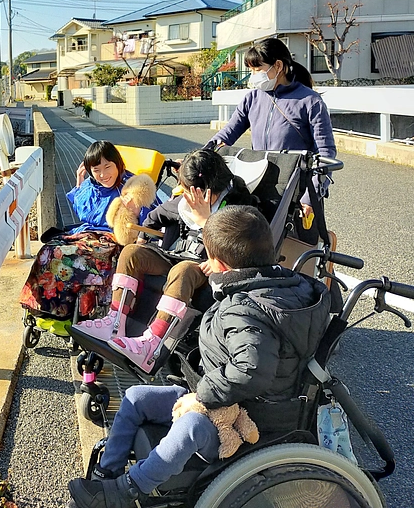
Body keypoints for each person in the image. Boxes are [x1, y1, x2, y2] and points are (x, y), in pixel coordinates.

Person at [68, 206, 331, 508]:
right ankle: (106, 474)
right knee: (136, 396)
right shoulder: (290, 286)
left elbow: (250, 370)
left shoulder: (245, 309)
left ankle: (128, 490)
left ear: (218, 263)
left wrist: (202, 397)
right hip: (231, 398)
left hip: (247, 420)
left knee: (190, 426)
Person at [71, 149, 257, 370]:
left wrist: (207, 220)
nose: (189, 196)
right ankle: (115, 321)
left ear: (209, 189)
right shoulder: (185, 199)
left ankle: (152, 343)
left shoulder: (239, 204)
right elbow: (154, 216)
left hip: (208, 265)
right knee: (131, 253)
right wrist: (142, 238)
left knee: (184, 269)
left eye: (192, 191)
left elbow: (243, 248)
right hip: (177, 254)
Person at [18, 141, 154, 320]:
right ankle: (44, 307)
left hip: (112, 240)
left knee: (68, 257)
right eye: (96, 169)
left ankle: (68, 310)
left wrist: (136, 210)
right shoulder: (91, 185)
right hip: (86, 234)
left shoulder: (132, 186)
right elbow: (83, 214)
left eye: (108, 167)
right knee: (47, 251)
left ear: (118, 164)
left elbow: (153, 217)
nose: (103, 175)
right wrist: (79, 183)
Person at [206, 37, 336, 219]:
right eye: (251, 69)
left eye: (257, 69)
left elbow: (326, 153)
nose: (253, 75)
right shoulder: (252, 98)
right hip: (257, 182)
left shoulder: (310, 101)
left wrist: (310, 196)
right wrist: (200, 158)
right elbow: (227, 134)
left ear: (278, 66)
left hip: (296, 189)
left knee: (298, 244)